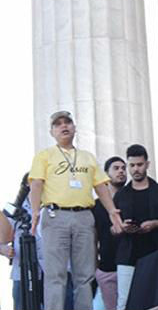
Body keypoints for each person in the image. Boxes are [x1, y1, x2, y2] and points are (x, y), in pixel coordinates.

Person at [28, 111, 123, 310]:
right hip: (56, 216)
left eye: (68, 122)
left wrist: (112, 212)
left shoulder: (87, 157)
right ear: (52, 131)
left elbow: (101, 186)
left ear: (74, 127)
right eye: (58, 124)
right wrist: (35, 212)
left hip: (83, 217)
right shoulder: (45, 155)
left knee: (85, 274)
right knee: (56, 274)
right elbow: (36, 183)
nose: (64, 126)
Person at [113, 144, 158, 310]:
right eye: (132, 165)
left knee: (157, 299)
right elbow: (112, 228)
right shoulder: (121, 195)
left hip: (156, 250)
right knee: (124, 302)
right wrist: (122, 227)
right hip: (128, 254)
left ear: (147, 164)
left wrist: (156, 223)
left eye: (139, 165)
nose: (135, 169)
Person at [1, 173, 44, 310]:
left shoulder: (55, 206)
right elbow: (2, 238)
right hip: (21, 272)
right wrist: (3, 249)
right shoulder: (13, 209)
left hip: (52, 272)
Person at [93, 157, 127, 310]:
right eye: (116, 168)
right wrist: (95, 269)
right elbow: (93, 238)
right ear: (106, 174)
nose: (121, 171)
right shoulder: (95, 206)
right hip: (107, 267)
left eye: (123, 168)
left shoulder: (132, 198)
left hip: (132, 264)